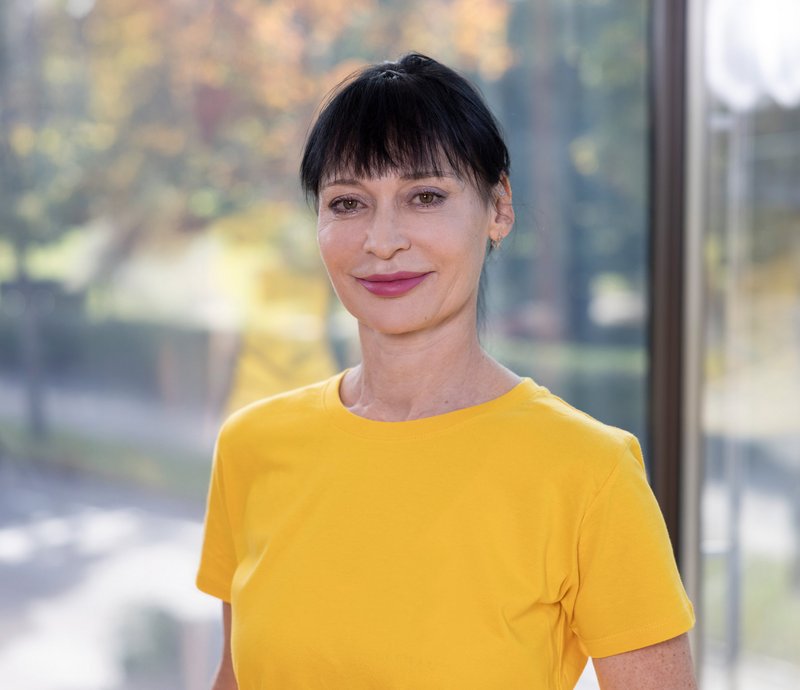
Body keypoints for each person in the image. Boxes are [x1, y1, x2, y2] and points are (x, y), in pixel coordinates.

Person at [196, 52, 697, 690]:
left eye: (424, 196)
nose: (382, 239)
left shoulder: (590, 474)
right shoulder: (252, 447)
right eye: (348, 203)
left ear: (498, 209)